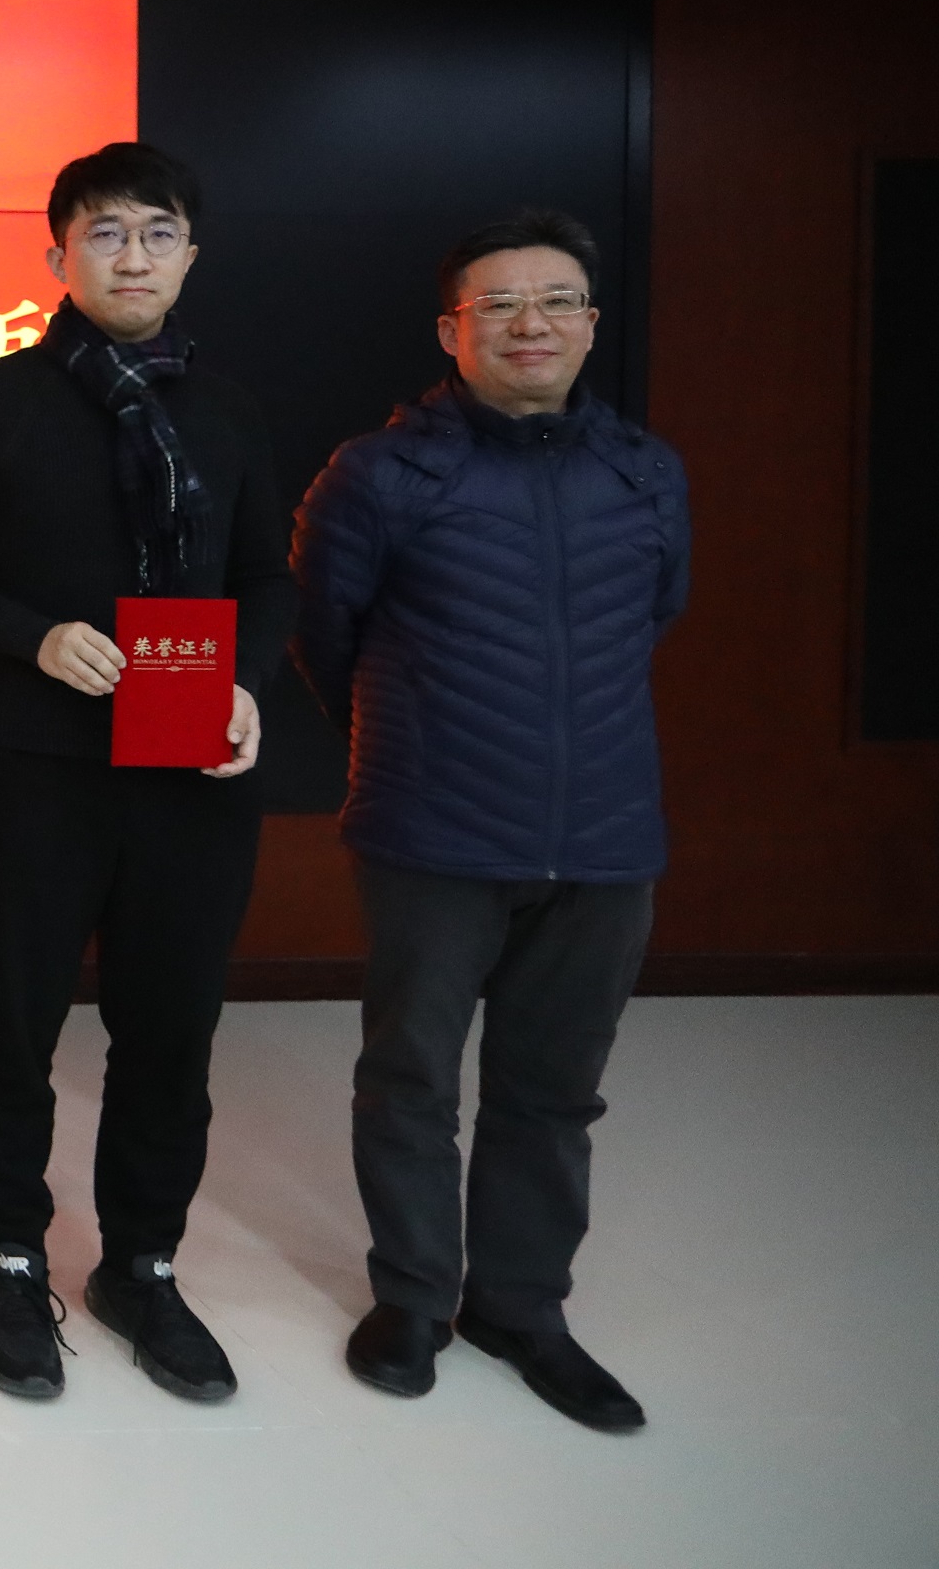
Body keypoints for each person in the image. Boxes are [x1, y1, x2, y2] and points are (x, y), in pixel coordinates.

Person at [0, 141, 291, 1405]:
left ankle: (141, 1262)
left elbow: (267, 573)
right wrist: (30, 635)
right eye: (105, 232)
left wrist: (246, 681)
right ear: (56, 252)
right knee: (13, 1017)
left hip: (192, 768)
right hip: (34, 764)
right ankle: (12, 1253)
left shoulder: (227, 408)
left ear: (191, 255)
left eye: (158, 233)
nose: (133, 256)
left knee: (170, 1026)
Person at [293, 211, 682, 1433]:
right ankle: (413, 1298)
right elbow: (326, 637)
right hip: (433, 826)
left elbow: (656, 615)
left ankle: (521, 1305)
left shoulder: (645, 471)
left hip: (606, 833)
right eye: (499, 303)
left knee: (553, 1090)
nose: (530, 323)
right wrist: (422, 738)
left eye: (556, 300)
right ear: (450, 329)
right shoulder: (380, 473)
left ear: (590, 324)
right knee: (410, 1077)